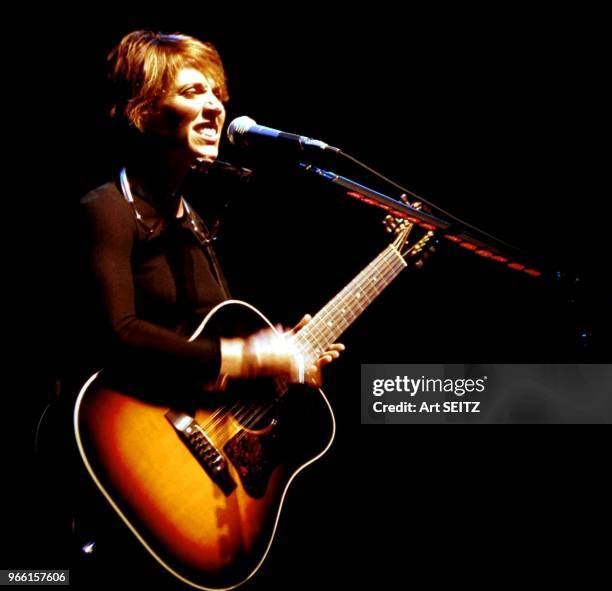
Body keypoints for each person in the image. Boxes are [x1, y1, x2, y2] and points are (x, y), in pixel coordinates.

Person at [77, 30, 344, 397]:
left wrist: (281, 368)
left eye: (216, 95)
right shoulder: (106, 208)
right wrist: (247, 357)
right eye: (192, 92)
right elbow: (117, 332)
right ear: (143, 111)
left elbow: (202, 363)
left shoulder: (193, 223)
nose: (216, 107)